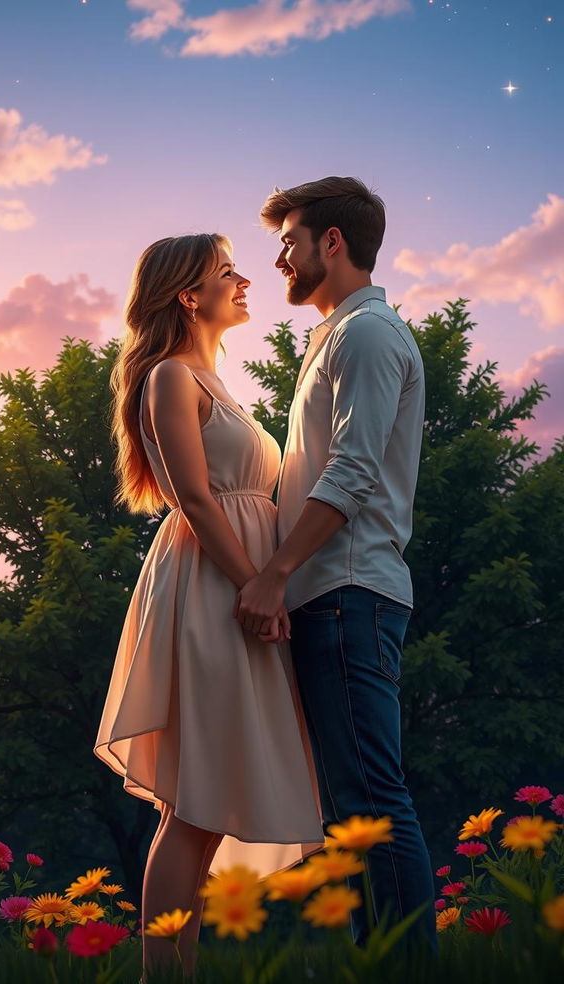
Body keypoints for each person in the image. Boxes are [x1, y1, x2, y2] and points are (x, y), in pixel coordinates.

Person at [94, 233, 323, 980]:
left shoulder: (214, 381)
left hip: (240, 579)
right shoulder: (169, 376)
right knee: (193, 805)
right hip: (213, 586)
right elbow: (193, 496)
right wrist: (256, 583)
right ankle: (163, 976)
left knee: (205, 801)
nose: (245, 280)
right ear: (189, 296)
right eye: (228, 272)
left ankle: (177, 971)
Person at [233, 177, 437, 951]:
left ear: (331, 241)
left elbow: (350, 474)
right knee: (348, 812)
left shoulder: (368, 336)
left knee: (371, 804)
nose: (278, 257)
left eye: (288, 240)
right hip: (333, 595)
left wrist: (275, 571)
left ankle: (408, 969)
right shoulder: (335, 337)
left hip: (351, 591)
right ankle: (375, 962)